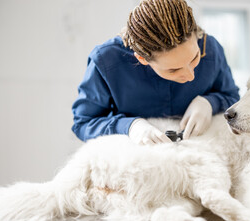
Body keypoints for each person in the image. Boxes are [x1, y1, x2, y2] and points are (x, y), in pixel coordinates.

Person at [72, 0, 240, 145]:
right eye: (173, 69)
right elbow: (84, 123)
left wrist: (210, 103)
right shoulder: (106, 60)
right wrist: (130, 127)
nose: (190, 76)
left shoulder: (211, 48)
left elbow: (232, 97)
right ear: (142, 59)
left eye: (195, 58)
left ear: (196, 36)